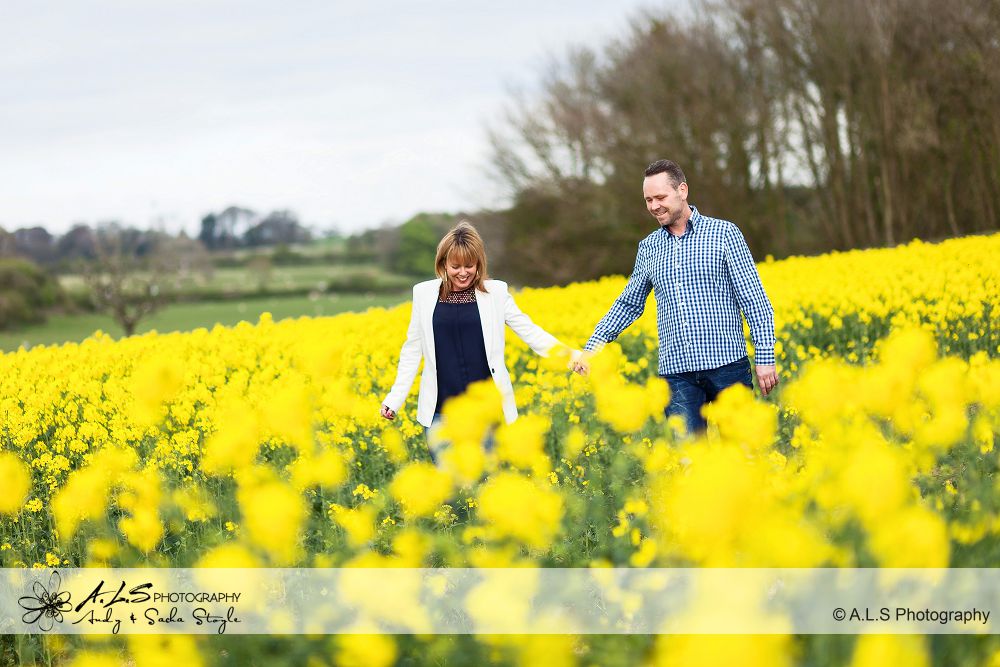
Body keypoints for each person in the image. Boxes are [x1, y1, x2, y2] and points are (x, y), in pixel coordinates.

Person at [572, 159, 778, 434]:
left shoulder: (725, 234)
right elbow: (629, 303)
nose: (654, 206)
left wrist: (765, 358)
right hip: (677, 375)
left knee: (740, 454)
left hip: (726, 366)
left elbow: (755, 301)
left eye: (660, 197)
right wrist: (593, 347)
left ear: (682, 190)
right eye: (648, 200)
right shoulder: (648, 248)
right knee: (687, 465)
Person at [381, 221, 577, 454]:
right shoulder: (423, 294)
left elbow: (530, 331)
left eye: (469, 265)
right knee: (450, 486)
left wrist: (571, 357)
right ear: (443, 263)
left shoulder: (496, 293)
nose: (463, 272)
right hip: (441, 411)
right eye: (456, 266)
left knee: (485, 484)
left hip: (487, 410)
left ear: (479, 264)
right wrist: (394, 399)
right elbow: (412, 350)